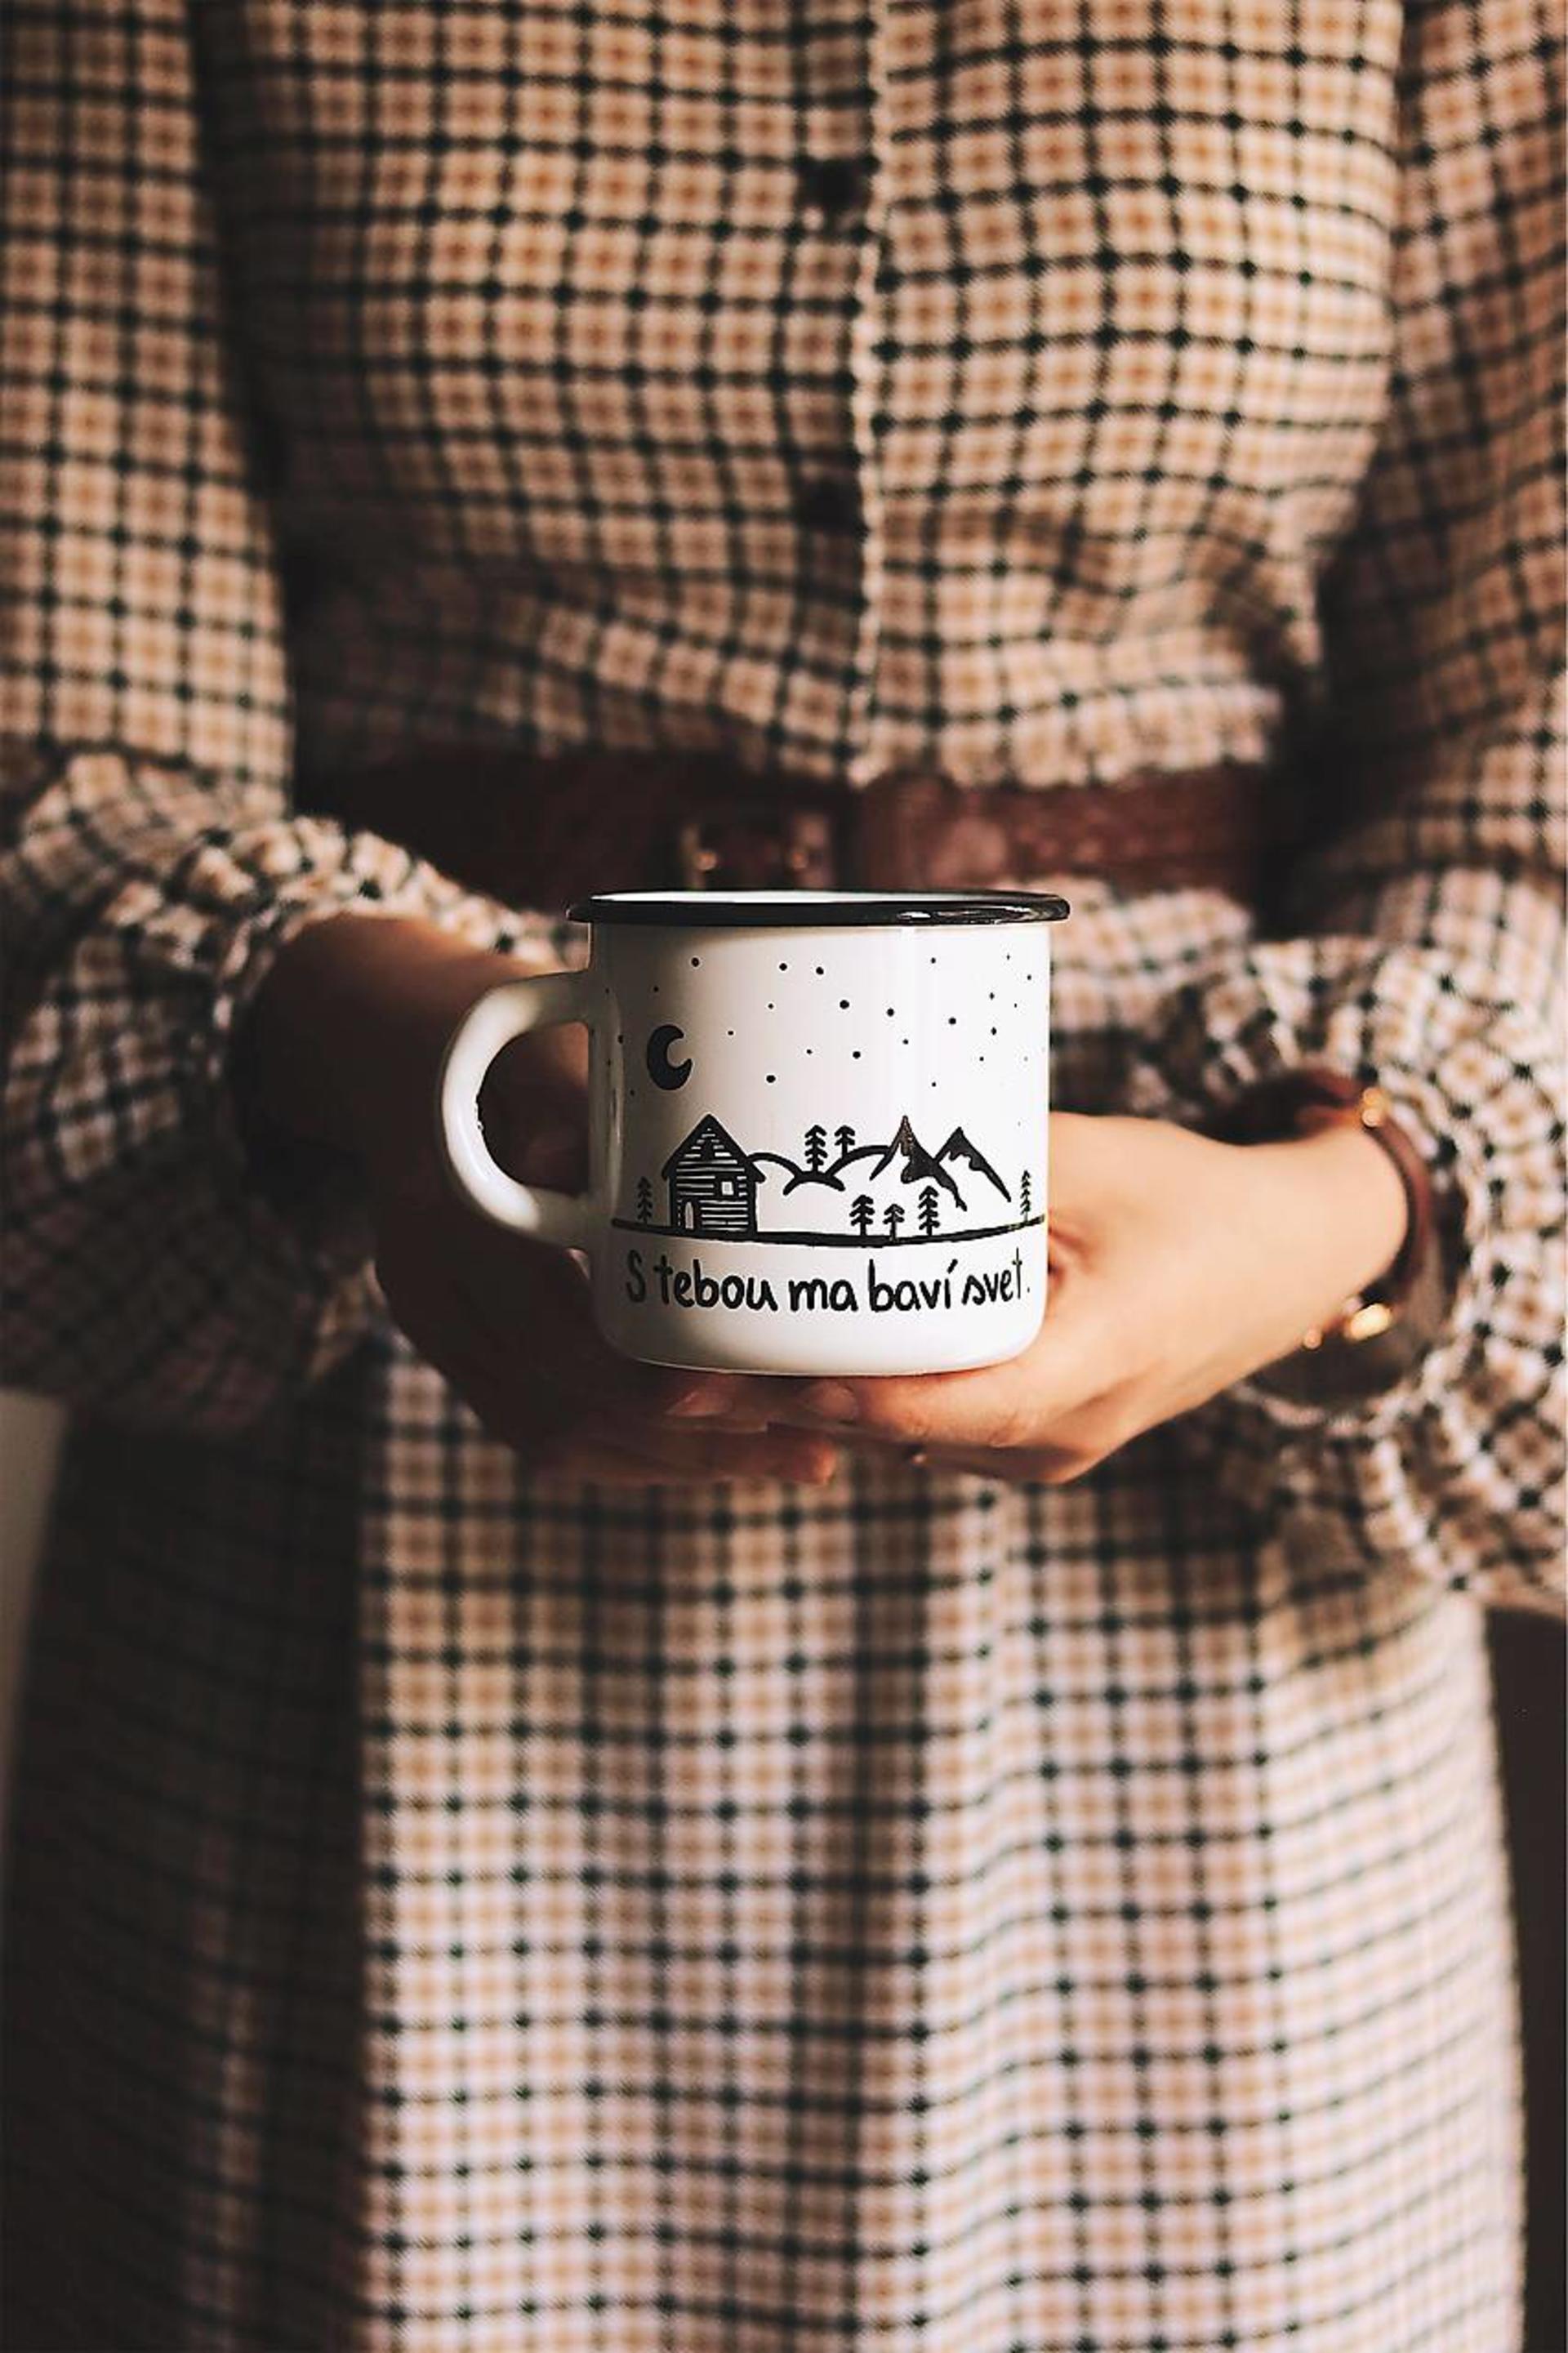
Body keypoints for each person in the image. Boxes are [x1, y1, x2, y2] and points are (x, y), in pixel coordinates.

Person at [1, 2, 1561, 2348]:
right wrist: (395, 1054)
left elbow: (1537, 775)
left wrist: (1331, 1219)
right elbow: (55, 739)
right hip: (370, 1508)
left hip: (1216, 1623)